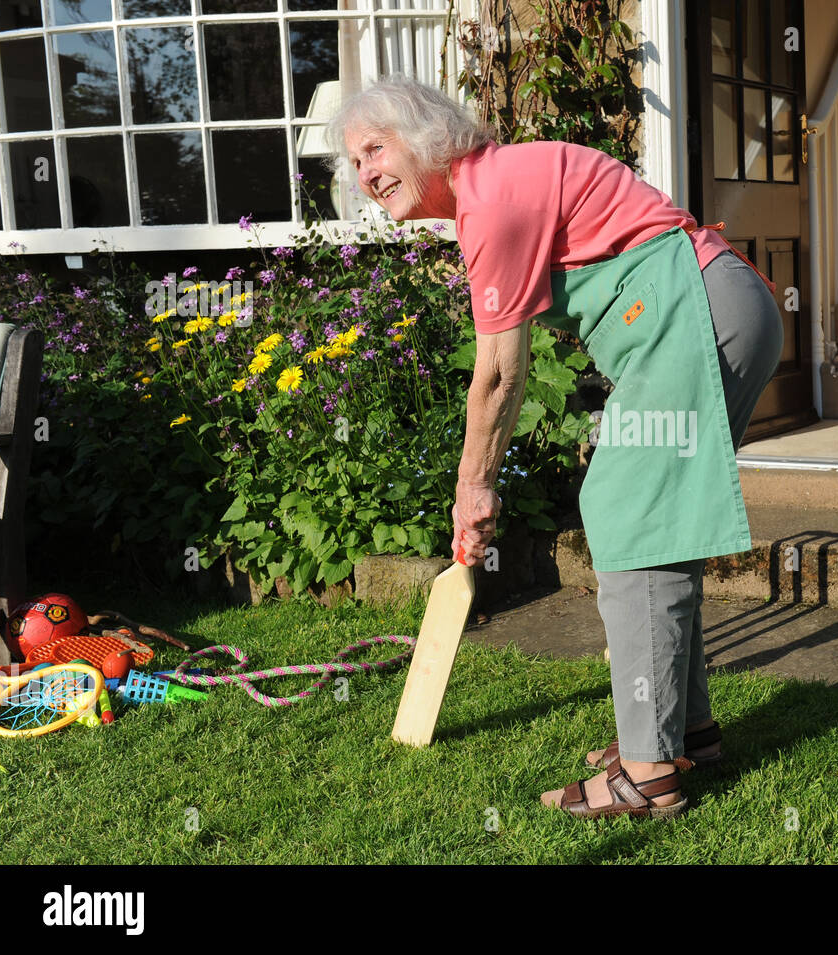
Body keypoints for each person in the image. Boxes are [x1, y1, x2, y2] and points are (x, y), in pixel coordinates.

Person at [327, 75, 782, 819]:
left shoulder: (492, 198)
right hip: (713, 302)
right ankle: (683, 732)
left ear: (425, 136)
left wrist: (472, 488)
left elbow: (501, 373)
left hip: (689, 307)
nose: (365, 174)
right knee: (654, 523)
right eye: (354, 161)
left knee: (629, 513)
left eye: (375, 149)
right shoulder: (497, 186)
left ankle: (647, 774)